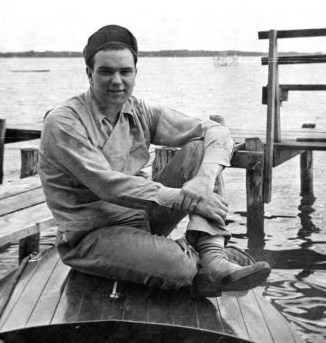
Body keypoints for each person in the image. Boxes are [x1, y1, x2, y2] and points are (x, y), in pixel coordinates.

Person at [38, 24, 270, 297]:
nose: (117, 80)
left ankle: (213, 255)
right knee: (180, 268)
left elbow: (215, 131)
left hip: (142, 215)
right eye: (106, 71)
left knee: (198, 150)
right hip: (90, 235)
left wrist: (204, 181)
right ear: (89, 74)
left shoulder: (141, 110)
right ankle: (211, 261)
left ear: (135, 73)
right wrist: (190, 198)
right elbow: (108, 186)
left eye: (125, 71)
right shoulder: (64, 121)